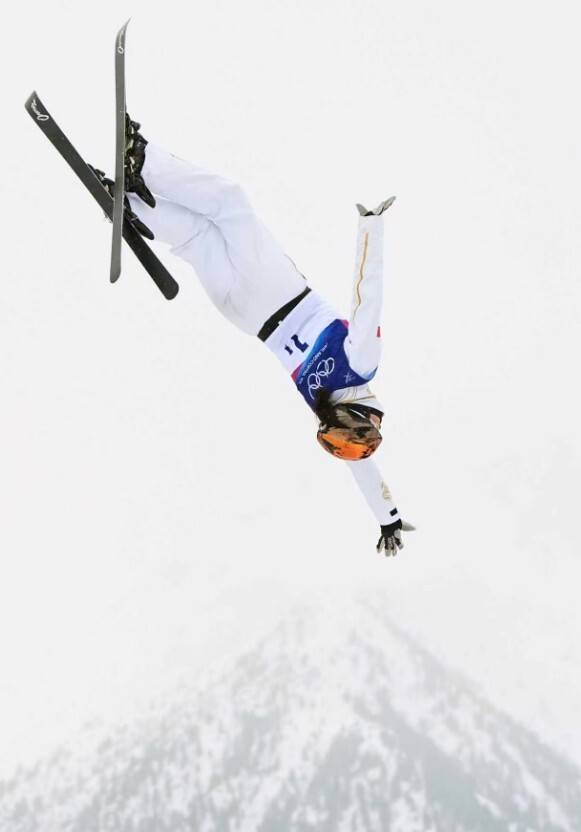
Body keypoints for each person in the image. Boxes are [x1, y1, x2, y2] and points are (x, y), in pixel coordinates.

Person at [117, 117, 415, 555]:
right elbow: (362, 469)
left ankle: (142, 160)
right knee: (197, 239)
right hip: (243, 315)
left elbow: (367, 299)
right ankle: (133, 207)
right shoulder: (322, 407)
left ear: (368, 417)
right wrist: (387, 519)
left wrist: (372, 226)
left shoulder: (361, 366)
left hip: (279, 291)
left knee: (230, 204)